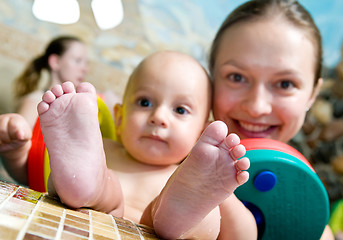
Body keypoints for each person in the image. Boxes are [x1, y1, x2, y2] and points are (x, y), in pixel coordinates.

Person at [38, 51, 254, 239]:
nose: (158, 117)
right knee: (92, 183)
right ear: (120, 119)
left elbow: (242, 236)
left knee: (206, 217)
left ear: (200, 133)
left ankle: (178, 215)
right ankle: (86, 186)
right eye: (145, 103)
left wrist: (223, 195)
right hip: (99, 213)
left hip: (163, 228)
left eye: (180, 110)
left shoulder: (204, 176)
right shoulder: (100, 148)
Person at [207, 0, 334, 239]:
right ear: (211, 79)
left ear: (312, 95)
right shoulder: (154, 164)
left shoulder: (312, 230)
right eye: (237, 77)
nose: (256, 107)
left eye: (285, 84)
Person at [0, 36, 116, 190]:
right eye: (78, 60)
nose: (85, 68)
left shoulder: (86, 103)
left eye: (86, 63)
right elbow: (17, 153)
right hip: (28, 184)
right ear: (55, 62)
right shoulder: (34, 101)